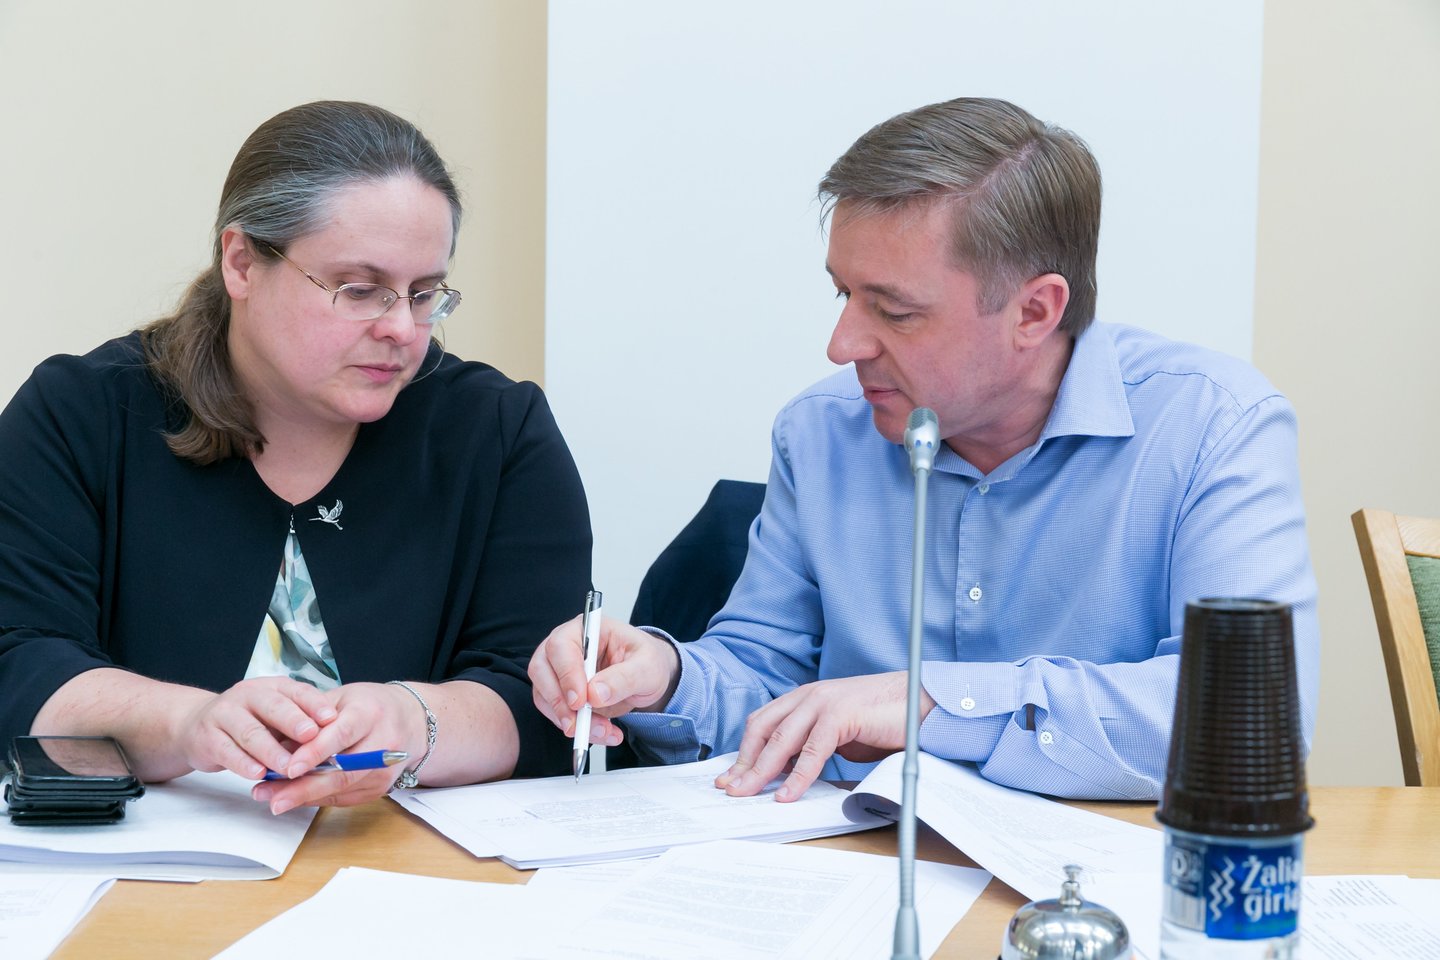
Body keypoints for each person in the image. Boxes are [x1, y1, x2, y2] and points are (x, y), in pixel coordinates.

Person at [529, 97, 1318, 802]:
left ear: (1035, 312)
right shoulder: (819, 432)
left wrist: (930, 704)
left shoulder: (1214, 427)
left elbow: (1252, 719)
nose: (841, 344)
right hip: (859, 876)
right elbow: (766, 679)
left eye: (894, 311)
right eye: (844, 293)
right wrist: (664, 677)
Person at [0, 101, 592, 814]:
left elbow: (545, 697)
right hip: (155, 860)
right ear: (242, 262)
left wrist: (414, 723)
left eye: (424, 294)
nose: (402, 329)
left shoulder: (496, 431)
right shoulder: (82, 414)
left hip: (410, 860)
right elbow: (20, 660)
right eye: (360, 289)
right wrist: (190, 725)